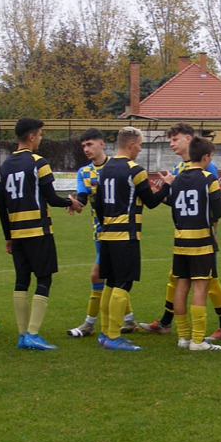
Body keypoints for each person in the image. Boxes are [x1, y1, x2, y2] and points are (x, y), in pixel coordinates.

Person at [138, 122, 221, 339]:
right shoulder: (179, 169)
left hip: (201, 237)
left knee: (208, 282)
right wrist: (163, 194)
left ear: (189, 140)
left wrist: (214, 232)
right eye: (170, 140)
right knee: (179, 279)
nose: (171, 143)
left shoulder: (207, 168)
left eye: (175, 139)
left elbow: (210, 206)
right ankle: (167, 322)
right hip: (187, 236)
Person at [0, 118, 82, 351]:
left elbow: (0, 205)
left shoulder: (5, 165)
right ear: (32, 137)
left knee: (22, 280)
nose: (41, 139)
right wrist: (71, 202)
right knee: (44, 278)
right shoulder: (38, 162)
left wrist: (8, 235)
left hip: (17, 232)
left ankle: (22, 334)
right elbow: (52, 198)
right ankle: (33, 334)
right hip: (37, 230)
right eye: (40, 135)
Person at [96, 126, 172, 351]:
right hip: (125, 234)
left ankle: (104, 332)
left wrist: (106, 224)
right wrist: (167, 185)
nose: (139, 149)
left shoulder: (105, 168)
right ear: (130, 144)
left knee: (110, 282)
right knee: (123, 282)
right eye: (139, 145)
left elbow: (98, 203)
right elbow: (150, 201)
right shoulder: (135, 170)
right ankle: (112, 336)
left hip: (106, 233)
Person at [68, 128, 138, 338]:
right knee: (112, 276)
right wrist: (74, 203)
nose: (86, 149)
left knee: (97, 274)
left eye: (89, 144)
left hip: (119, 231)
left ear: (101, 144)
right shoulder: (84, 172)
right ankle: (129, 319)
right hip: (99, 232)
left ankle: (89, 324)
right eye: (83, 146)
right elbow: (82, 196)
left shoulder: (116, 166)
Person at [166, 137, 221, 352]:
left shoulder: (178, 179)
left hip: (180, 239)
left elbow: (173, 207)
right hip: (201, 240)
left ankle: (183, 337)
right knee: (200, 287)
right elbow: (218, 210)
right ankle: (198, 341)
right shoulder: (209, 179)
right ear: (206, 156)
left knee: (181, 286)